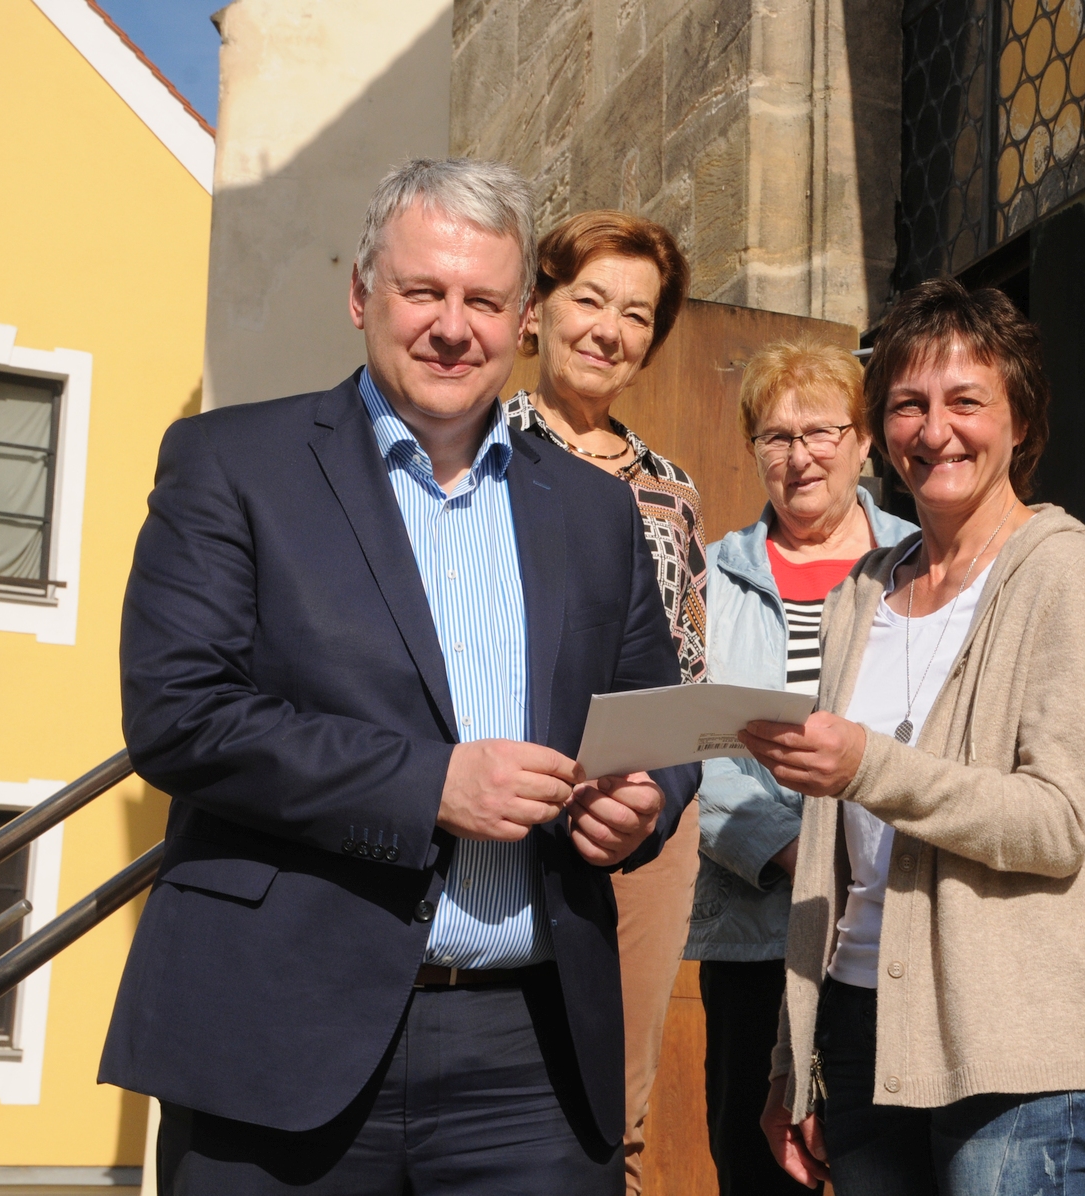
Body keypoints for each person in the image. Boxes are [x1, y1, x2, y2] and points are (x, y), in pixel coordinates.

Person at [101, 159, 699, 1193]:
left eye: (483, 300)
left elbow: (661, 711)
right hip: (278, 1037)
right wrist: (430, 784)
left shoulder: (599, 514)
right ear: (361, 294)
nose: (452, 326)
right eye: (423, 291)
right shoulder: (231, 462)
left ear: (522, 319)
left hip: (535, 1058)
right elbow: (178, 714)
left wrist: (646, 796)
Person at [746, 278, 1085, 1196]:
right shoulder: (860, 591)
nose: (936, 431)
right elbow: (824, 855)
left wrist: (868, 766)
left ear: (1020, 422)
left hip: (1009, 1046)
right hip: (856, 1027)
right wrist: (790, 1055)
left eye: (967, 401)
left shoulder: (1062, 573)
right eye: (908, 406)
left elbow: (1058, 823)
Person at [500, 209, 704, 1194]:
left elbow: (685, 659)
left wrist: (665, 787)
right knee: (509, 1066)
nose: (608, 329)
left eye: (636, 313)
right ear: (538, 308)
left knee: (617, 1093)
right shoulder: (484, 447)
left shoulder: (673, 486)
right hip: (512, 789)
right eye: (589, 299)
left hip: (647, 804)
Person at [685, 341, 916, 1195]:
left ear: (864, 442)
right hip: (757, 927)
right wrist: (788, 847)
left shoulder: (921, 562)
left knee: (881, 1164)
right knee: (758, 1168)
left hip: (893, 924)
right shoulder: (711, 577)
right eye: (775, 436)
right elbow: (692, 739)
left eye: (822, 430)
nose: (800, 455)